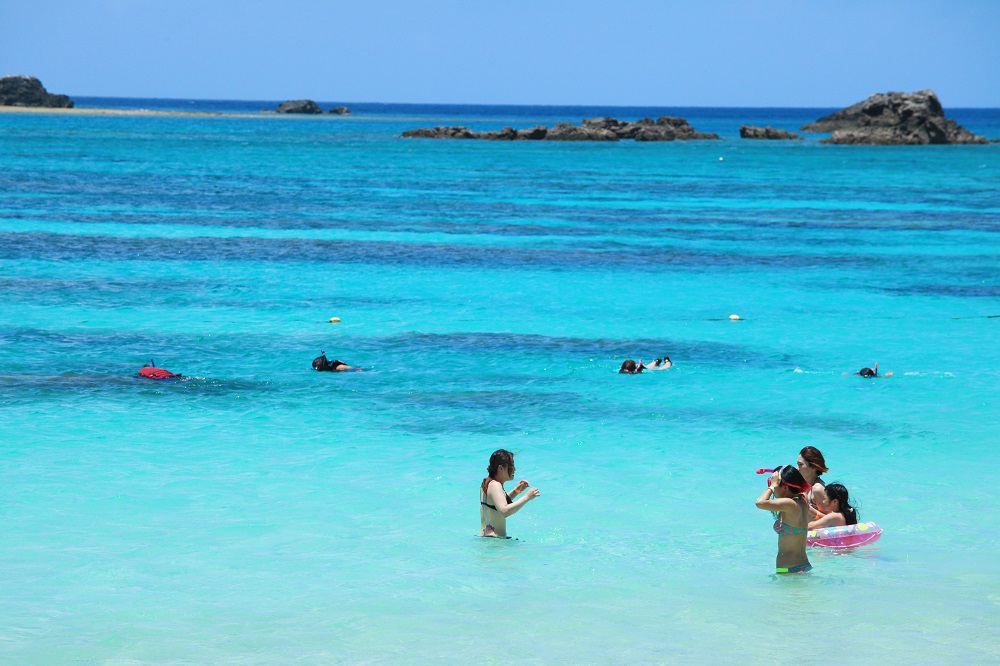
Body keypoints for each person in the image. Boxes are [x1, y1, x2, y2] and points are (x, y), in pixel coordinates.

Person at [755, 465, 812, 574]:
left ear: (785, 487)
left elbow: (760, 503)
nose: (772, 486)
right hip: (803, 566)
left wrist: (771, 487)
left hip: (789, 570)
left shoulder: (789, 504)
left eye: (776, 484)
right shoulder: (802, 500)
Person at [479, 449, 540, 538]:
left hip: (487, 539)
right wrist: (527, 497)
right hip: (496, 543)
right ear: (501, 468)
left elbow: (498, 502)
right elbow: (504, 511)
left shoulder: (487, 483)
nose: (514, 469)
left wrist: (517, 491)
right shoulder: (496, 485)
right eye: (511, 466)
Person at [797, 446, 829, 514]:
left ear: (813, 467)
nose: (797, 468)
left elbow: (829, 519)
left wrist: (810, 509)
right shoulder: (802, 484)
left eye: (800, 465)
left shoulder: (817, 489)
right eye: (798, 464)